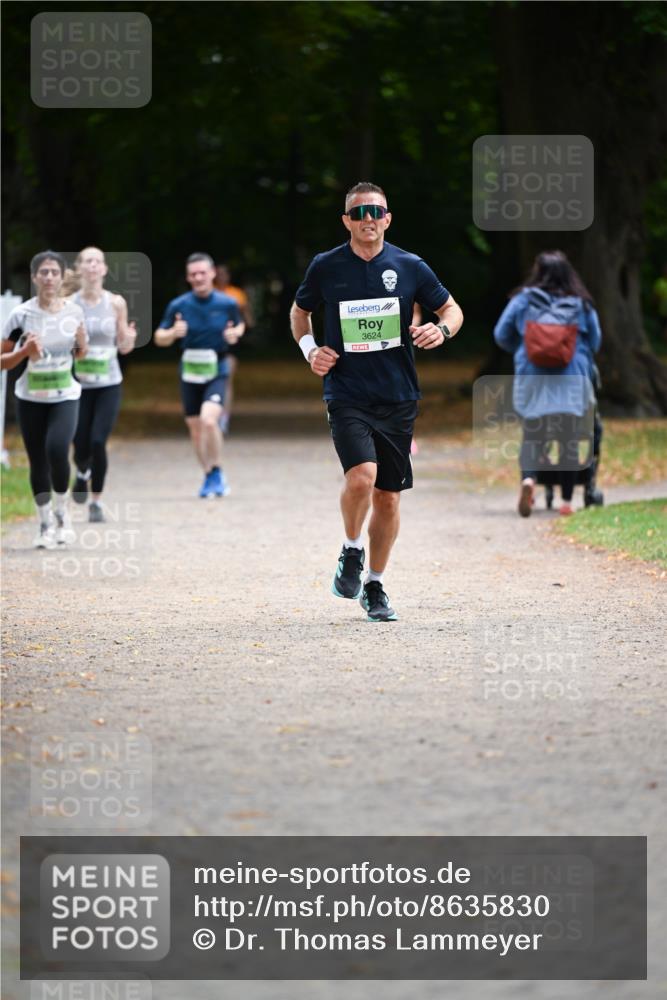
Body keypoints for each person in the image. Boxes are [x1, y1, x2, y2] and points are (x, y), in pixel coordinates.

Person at [290, 181, 463, 622]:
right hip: (347, 392)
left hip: (398, 395)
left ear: (388, 218)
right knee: (362, 478)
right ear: (347, 220)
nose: (369, 219)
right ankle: (351, 550)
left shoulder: (409, 265)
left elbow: (452, 311)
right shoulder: (326, 266)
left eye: (376, 211)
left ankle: (376, 585)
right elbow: (299, 312)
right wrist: (312, 350)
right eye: (359, 212)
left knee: (388, 498)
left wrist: (439, 332)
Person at [493, 250, 602, 517]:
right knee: (569, 438)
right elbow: (596, 341)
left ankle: (529, 480)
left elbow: (500, 335)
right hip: (572, 380)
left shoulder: (522, 301)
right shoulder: (580, 304)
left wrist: (523, 349)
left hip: (532, 378)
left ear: (537, 272)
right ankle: (566, 501)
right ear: (569, 274)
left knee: (533, 434)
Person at [1, 251, 87, 547]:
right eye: (43, 272)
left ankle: (62, 514)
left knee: (57, 448)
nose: (49, 277)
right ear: (34, 277)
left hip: (65, 394)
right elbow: (2, 360)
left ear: (63, 277)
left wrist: (83, 342)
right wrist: (23, 353)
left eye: (54, 272)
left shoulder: (74, 312)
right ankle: (44, 524)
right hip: (30, 397)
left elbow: (81, 353)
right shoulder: (21, 315)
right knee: (37, 460)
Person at [154, 253, 244, 497]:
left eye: (202, 272)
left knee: (208, 420)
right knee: (195, 429)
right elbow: (159, 337)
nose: (198, 278)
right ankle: (208, 474)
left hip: (217, 368)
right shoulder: (178, 305)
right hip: (190, 371)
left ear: (212, 273)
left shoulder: (227, 303)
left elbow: (239, 325)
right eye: (193, 274)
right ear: (187, 277)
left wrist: (234, 334)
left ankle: (216, 470)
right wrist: (173, 332)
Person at [65, 247, 137, 522]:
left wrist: (129, 336)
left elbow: (125, 345)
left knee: (98, 441)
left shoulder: (116, 302)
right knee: (80, 441)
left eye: (97, 261)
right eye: (87, 261)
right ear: (80, 268)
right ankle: (82, 472)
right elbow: (61, 344)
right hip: (78, 384)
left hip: (109, 383)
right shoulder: (69, 304)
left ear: (104, 269)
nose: (93, 266)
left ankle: (96, 501)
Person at [213, 263, 254, 434]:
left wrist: (244, 325)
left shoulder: (237, 294)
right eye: (219, 274)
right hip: (210, 342)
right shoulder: (208, 293)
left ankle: (223, 418)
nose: (222, 277)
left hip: (230, 343)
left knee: (226, 378)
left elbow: (247, 318)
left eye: (224, 273)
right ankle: (211, 415)